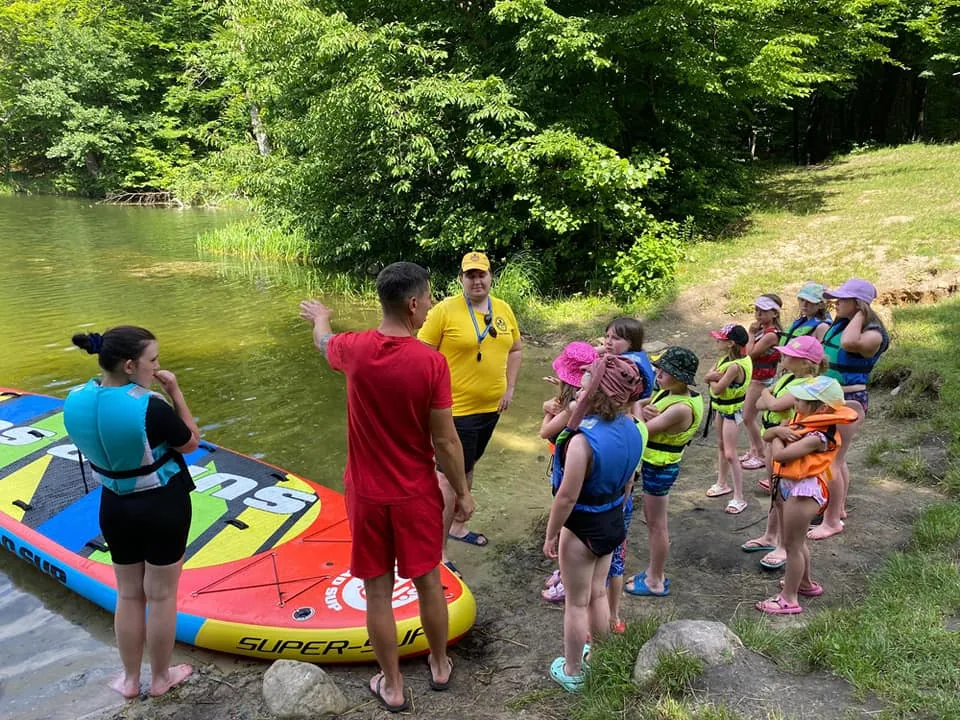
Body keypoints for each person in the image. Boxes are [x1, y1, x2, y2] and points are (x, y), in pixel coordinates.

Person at [300, 262, 476, 713]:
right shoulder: (432, 363)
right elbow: (445, 441)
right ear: (413, 304)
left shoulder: (353, 349)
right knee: (429, 582)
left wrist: (321, 317)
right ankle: (440, 665)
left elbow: (322, 343)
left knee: (377, 592)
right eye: (429, 298)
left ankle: (393, 686)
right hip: (416, 493)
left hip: (366, 495)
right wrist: (462, 492)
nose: (431, 305)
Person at [63, 326, 199, 699]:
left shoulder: (74, 400)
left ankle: (128, 680)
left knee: (127, 594)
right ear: (129, 365)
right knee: (161, 596)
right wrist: (174, 392)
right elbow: (190, 442)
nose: (157, 366)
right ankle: (160, 678)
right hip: (162, 506)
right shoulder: (149, 406)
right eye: (152, 360)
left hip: (114, 507)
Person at [543, 355, 645, 692]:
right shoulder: (633, 427)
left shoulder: (582, 441)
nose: (579, 388)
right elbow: (628, 482)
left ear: (599, 392)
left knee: (575, 602)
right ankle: (602, 659)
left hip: (582, 527)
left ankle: (572, 670)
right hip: (612, 519)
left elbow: (566, 498)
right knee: (598, 594)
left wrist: (552, 533)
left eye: (585, 383)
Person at [419, 251, 523, 559]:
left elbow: (516, 349)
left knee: (468, 467)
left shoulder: (503, 309)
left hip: (491, 408)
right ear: (461, 279)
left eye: (482, 274)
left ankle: (458, 526)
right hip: (453, 411)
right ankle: (438, 553)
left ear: (491, 276)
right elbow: (421, 355)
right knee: (447, 478)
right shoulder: (444, 310)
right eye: (470, 275)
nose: (477, 280)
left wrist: (510, 387)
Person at [755, 376, 858, 614]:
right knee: (798, 543)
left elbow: (781, 455)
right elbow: (766, 436)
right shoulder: (799, 422)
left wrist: (778, 435)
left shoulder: (817, 437)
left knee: (792, 546)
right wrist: (778, 432)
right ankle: (804, 583)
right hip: (792, 487)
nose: (796, 402)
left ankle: (789, 598)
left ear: (820, 408)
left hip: (805, 492)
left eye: (801, 400)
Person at [808, 278, 889, 541]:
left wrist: (861, 312)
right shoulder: (842, 323)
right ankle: (838, 508)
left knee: (831, 460)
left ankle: (831, 521)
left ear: (858, 303)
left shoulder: (873, 333)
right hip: (832, 399)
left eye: (843, 299)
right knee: (837, 459)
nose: (836, 303)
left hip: (850, 401)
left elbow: (849, 344)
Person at [741, 336, 828, 569]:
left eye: (790, 355)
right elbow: (761, 404)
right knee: (775, 492)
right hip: (773, 437)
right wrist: (768, 397)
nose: (783, 357)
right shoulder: (788, 378)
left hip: (786, 442)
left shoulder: (808, 385)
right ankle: (770, 536)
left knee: (782, 494)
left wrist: (768, 395)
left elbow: (774, 405)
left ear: (805, 363)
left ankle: (782, 545)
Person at [624, 347, 703, 598]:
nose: (658, 375)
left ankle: (655, 580)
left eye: (664, 372)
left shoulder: (681, 408)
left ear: (679, 378)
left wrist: (639, 410)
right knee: (652, 521)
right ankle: (653, 572)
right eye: (658, 370)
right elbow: (642, 405)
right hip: (654, 465)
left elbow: (641, 430)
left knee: (657, 525)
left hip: (661, 468)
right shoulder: (671, 392)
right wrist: (642, 407)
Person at [539, 341, 598, 605]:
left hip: (566, 468)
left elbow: (545, 432)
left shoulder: (569, 408)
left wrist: (546, 411)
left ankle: (566, 577)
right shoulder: (588, 400)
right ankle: (565, 572)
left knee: (568, 520)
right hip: (583, 466)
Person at [704, 324, 752, 514]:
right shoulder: (725, 359)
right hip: (721, 409)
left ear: (731, 343)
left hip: (732, 412)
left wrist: (711, 378)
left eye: (720, 339)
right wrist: (712, 377)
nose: (716, 341)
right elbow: (709, 375)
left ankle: (739, 497)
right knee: (721, 445)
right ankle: (722, 483)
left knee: (731, 453)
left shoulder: (734, 366)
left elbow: (716, 388)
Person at [740, 295, 783, 471]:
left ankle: (761, 453)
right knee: (748, 417)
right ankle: (753, 449)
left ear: (774, 313)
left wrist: (750, 334)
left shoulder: (771, 335)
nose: (758, 314)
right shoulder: (762, 330)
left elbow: (749, 354)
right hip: (755, 377)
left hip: (761, 379)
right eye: (756, 310)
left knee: (747, 417)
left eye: (763, 311)